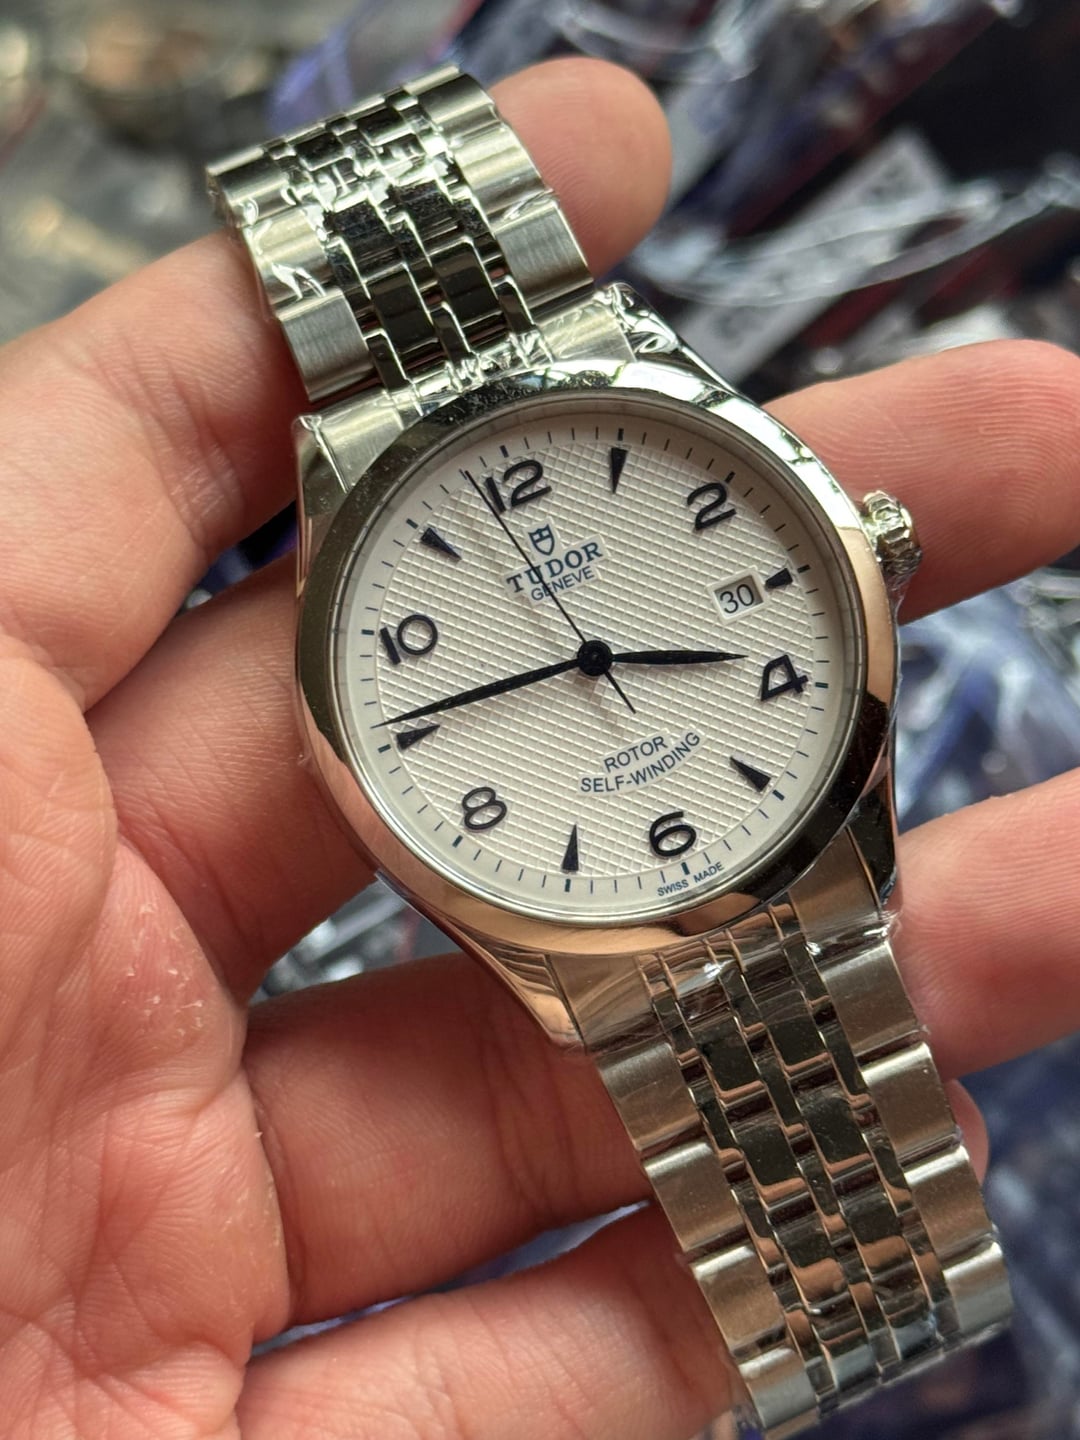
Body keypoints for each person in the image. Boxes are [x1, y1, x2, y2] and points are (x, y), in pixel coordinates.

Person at [0, 55, 1077, 1440]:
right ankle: (874, 1313)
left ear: (860, 551)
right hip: (620, 911)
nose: (590, 661)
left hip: (751, 852)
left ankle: (884, 1314)